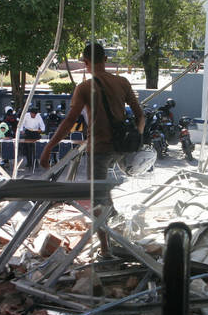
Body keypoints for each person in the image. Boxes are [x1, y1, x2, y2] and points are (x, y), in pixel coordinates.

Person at [40, 42, 143, 256]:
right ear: (105, 60)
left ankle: (105, 249)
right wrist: (137, 136)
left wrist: (48, 148)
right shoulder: (122, 82)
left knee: (97, 200)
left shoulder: (84, 87)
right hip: (121, 148)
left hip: (98, 150)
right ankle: (118, 228)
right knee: (105, 196)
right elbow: (140, 115)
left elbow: (69, 121)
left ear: (85, 63)